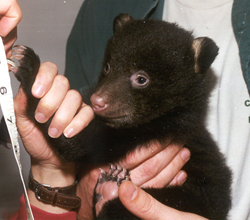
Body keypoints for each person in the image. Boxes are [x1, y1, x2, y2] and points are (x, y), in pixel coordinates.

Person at [7, 0, 250, 220]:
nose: (98, 96)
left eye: (140, 80)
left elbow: (74, 143)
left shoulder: (157, 125)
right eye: (109, 69)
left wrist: (31, 83)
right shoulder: (101, 9)